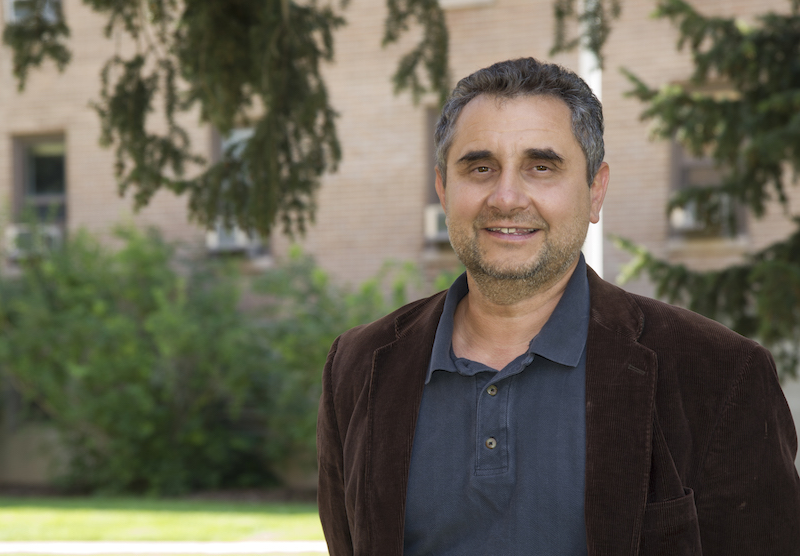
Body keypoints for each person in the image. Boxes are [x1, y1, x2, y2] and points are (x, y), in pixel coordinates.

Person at [316, 57, 800, 555]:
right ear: (443, 188)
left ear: (595, 192)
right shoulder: (358, 366)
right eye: (480, 168)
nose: (506, 197)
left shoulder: (719, 373)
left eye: (541, 167)